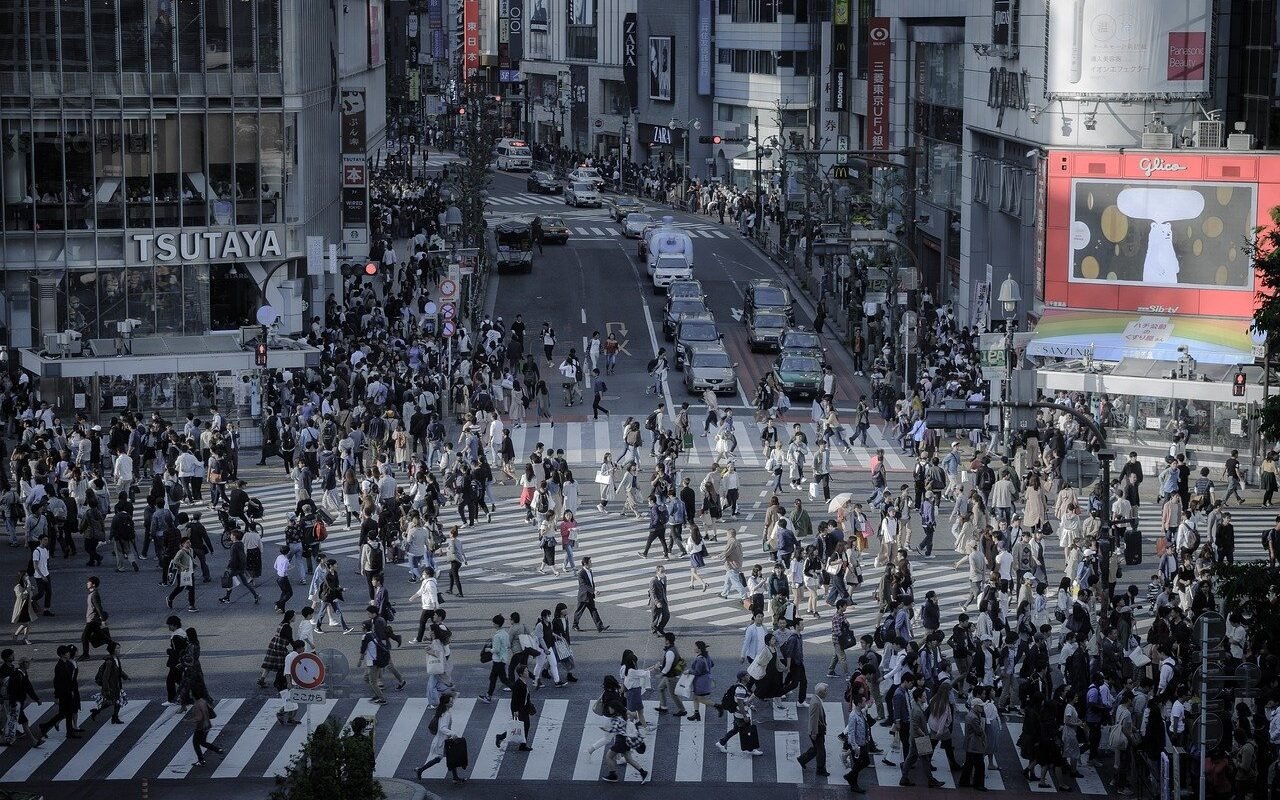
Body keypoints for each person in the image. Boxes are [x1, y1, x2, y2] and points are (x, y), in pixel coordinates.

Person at [415, 692, 467, 784]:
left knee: (451, 757)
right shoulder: (446, 714)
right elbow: (442, 728)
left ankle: (455, 778)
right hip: (443, 741)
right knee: (445, 758)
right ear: (446, 703)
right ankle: (421, 770)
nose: (452, 703)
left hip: (443, 740)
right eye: (450, 702)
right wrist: (452, 733)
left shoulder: (442, 712)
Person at [38, 645, 83, 739]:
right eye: (67, 652)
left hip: (67, 692)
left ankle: (46, 726)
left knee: (65, 713)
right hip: (64, 693)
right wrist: (57, 696)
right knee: (67, 712)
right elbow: (57, 682)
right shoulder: (59, 666)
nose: (69, 653)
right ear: (62, 655)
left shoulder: (66, 664)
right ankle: (67, 732)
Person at [88, 640, 128, 724]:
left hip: (117, 685)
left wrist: (125, 676)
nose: (119, 650)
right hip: (111, 686)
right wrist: (106, 689)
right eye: (117, 648)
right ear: (112, 650)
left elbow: (119, 670)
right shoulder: (109, 662)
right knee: (110, 702)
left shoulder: (116, 659)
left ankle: (114, 717)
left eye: (119, 648)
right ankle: (98, 712)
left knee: (117, 702)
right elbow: (105, 677)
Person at [796, 683, 830, 776]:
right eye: (825, 691)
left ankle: (803, 759)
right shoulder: (816, 703)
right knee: (821, 751)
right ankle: (820, 769)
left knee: (817, 749)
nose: (827, 693)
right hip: (817, 730)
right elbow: (814, 719)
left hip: (817, 729)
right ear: (820, 692)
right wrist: (814, 733)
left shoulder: (816, 699)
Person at [189, 690, 225, 767]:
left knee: (195, 743)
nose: (190, 695)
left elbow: (199, 717)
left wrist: (189, 720)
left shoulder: (197, 704)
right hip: (207, 725)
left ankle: (201, 760)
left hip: (201, 727)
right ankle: (217, 749)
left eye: (191, 694)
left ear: (194, 696)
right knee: (202, 742)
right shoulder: (203, 701)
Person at [573, 556, 608, 632]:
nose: (591, 563)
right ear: (585, 564)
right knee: (579, 612)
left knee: (594, 611)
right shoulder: (581, 573)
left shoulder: (590, 571)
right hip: (583, 596)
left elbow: (591, 582)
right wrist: (594, 591)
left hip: (590, 596)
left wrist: (593, 591)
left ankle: (600, 627)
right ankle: (575, 625)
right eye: (590, 562)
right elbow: (584, 585)